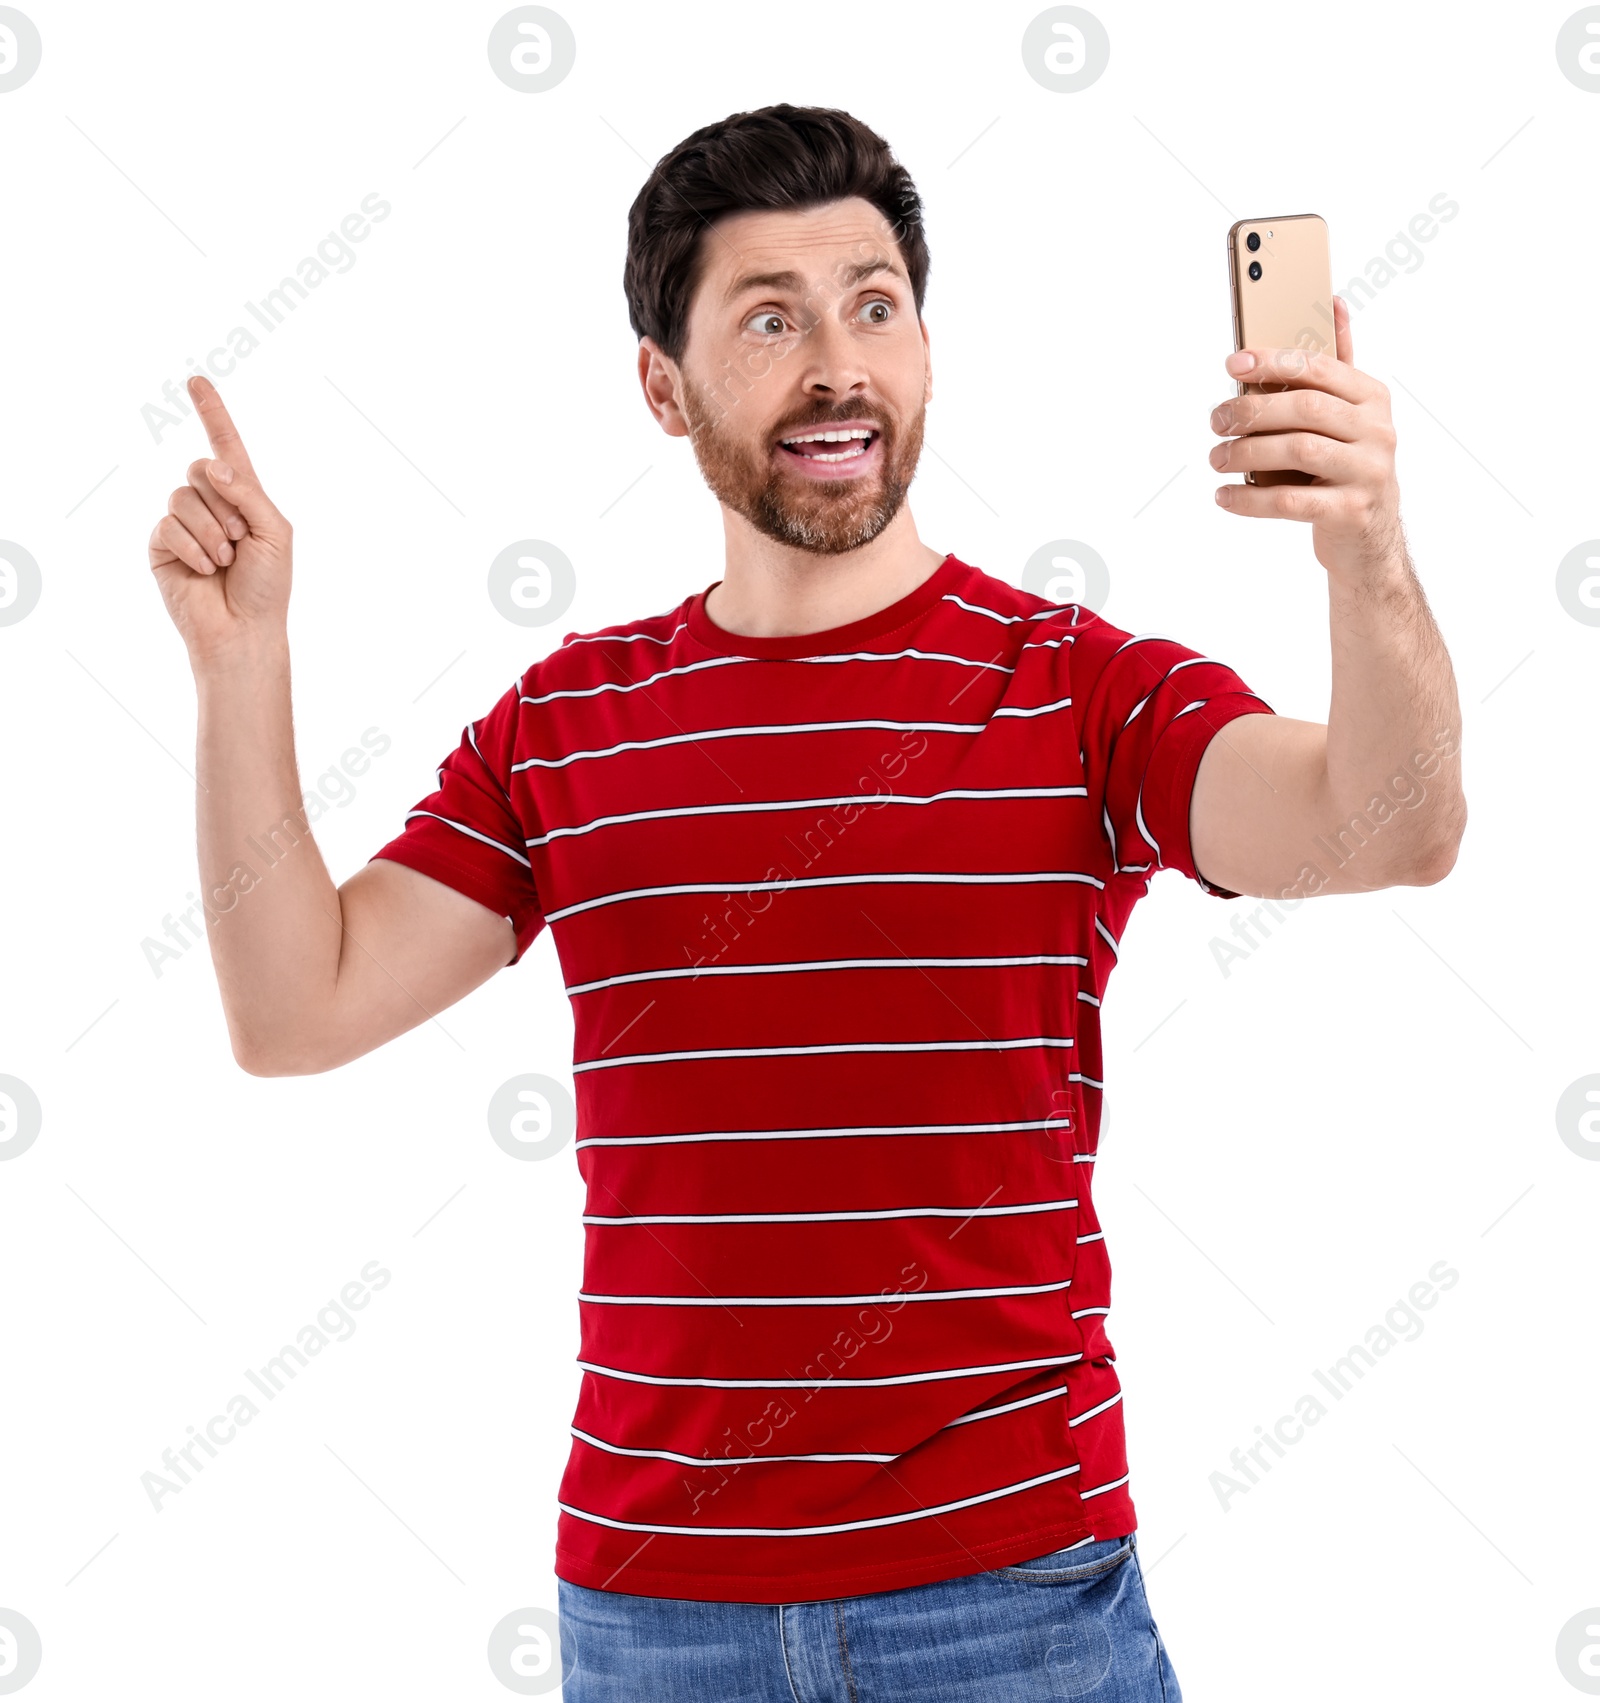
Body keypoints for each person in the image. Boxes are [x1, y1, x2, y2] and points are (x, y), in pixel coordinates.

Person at [148, 102, 1465, 1703]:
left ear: (922, 347)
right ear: (663, 385)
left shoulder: (1074, 691)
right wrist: (240, 664)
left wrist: (1368, 552)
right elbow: (297, 1009)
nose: (838, 362)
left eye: (874, 305)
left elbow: (1385, 827)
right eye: (768, 317)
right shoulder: (566, 721)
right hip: (655, 1623)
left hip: (1011, 1608)